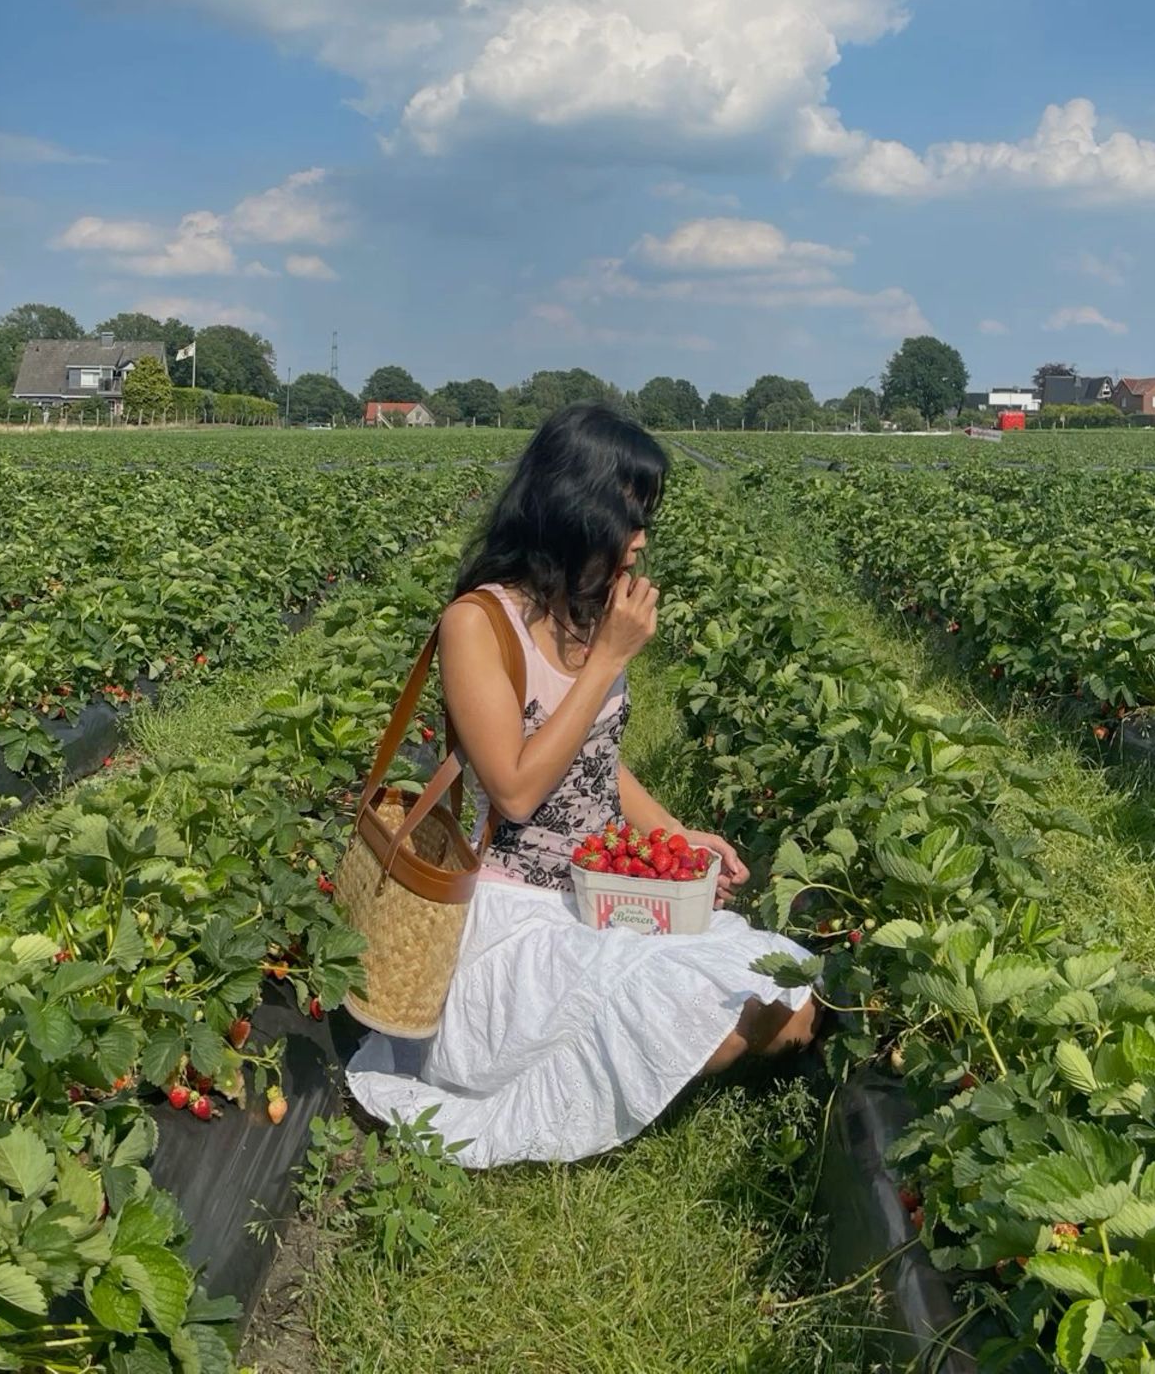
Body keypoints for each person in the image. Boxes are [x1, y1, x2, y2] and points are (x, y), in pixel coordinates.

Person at [346, 402, 818, 1168]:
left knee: (786, 1002)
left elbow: (598, 759)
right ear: (576, 506)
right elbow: (516, 790)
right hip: (512, 912)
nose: (640, 540)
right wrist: (607, 663)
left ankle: (653, 1040)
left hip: (601, 891)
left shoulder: (584, 607)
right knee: (708, 1017)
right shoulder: (479, 623)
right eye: (632, 515)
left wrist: (675, 838)